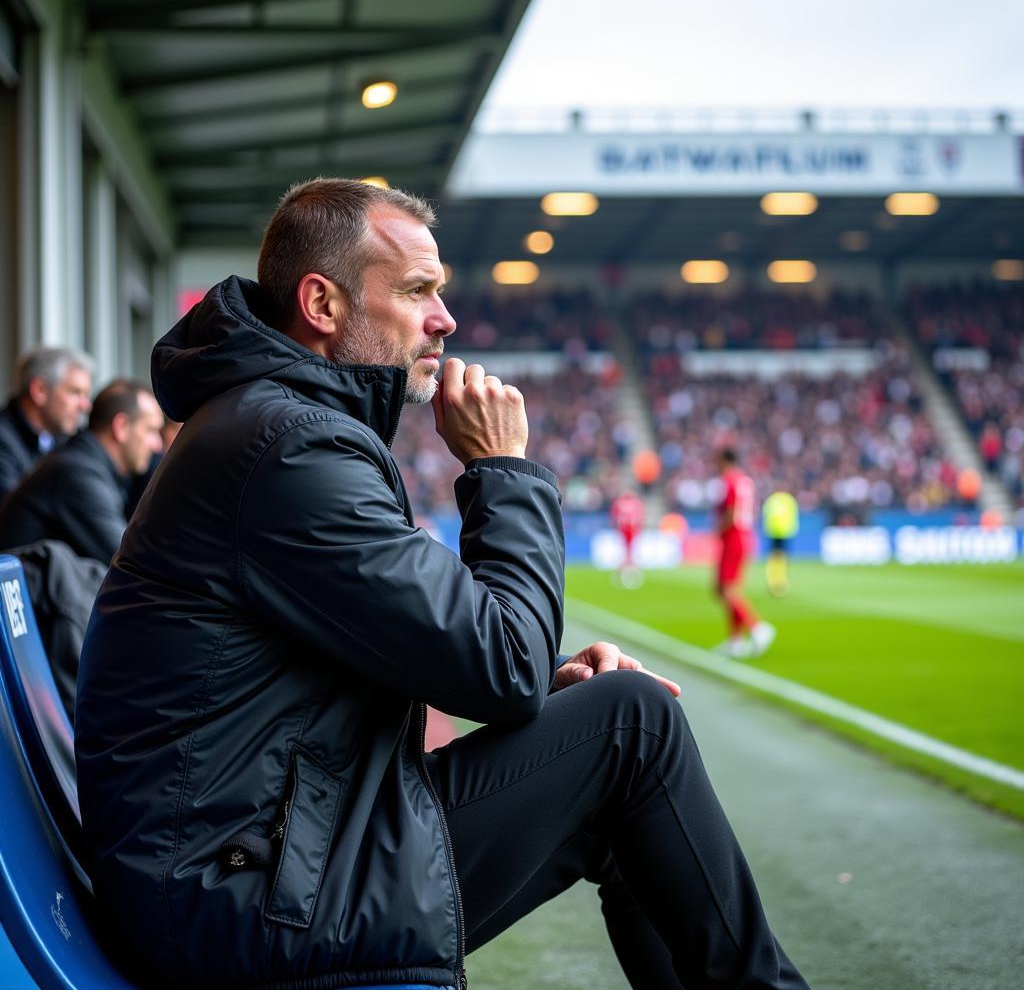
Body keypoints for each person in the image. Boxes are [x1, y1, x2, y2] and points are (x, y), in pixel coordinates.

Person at [75, 179, 809, 990]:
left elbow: (448, 653)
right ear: (322, 302)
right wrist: (505, 471)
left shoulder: (277, 424)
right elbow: (500, 670)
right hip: (244, 897)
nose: (445, 319)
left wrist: (547, 680)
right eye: (419, 290)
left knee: (609, 744)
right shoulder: (287, 447)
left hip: (259, 860)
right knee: (632, 728)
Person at [0, 380, 164, 563]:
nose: (157, 445)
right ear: (121, 427)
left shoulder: (87, 464)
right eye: (151, 430)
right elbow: (134, 562)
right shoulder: (79, 473)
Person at [0, 346, 94, 502]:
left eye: (86, 395)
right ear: (40, 390)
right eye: (75, 392)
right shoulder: (3, 442)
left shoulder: (67, 440)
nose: (85, 406)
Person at [713, 447, 776, 658]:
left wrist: (719, 530)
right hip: (744, 535)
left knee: (726, 589)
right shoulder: (745, 481)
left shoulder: (730, 481)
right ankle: (736, 641)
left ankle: (758, 628)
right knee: (727, 589)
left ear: (724, 459)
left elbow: (731, 512)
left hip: (733, 537)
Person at [762, 487, 800, 597]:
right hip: (785, 532)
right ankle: (780, 580)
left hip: (773, 532)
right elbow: (793, 515)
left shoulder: (771, 500)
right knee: (782, 557)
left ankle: (773, 579)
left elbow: (766, 515)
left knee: (774, 557)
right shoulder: (789, 500)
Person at [609, 486, 645, 587]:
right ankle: (628, 572)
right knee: (628, 553)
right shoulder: (628, 503)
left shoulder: (627, 503)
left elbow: (639, 517)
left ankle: (626, 573)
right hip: (627, 530)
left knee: (629, 553)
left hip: (629, 530)